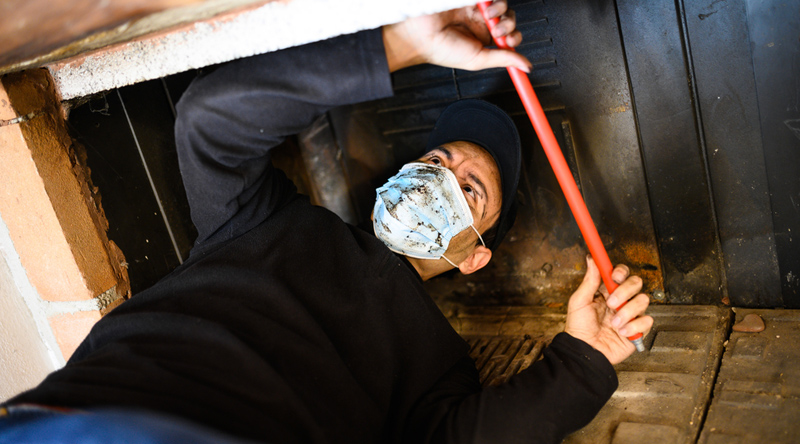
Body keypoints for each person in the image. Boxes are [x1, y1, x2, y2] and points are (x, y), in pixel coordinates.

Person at [0, 1, 653, 443]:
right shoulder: (264, 216)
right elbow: (210, 121)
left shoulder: (439, 365)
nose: (437, 179)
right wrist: (400, 43)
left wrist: (585, 360)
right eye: (437, 159)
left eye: (469, 189)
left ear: (474, 255)